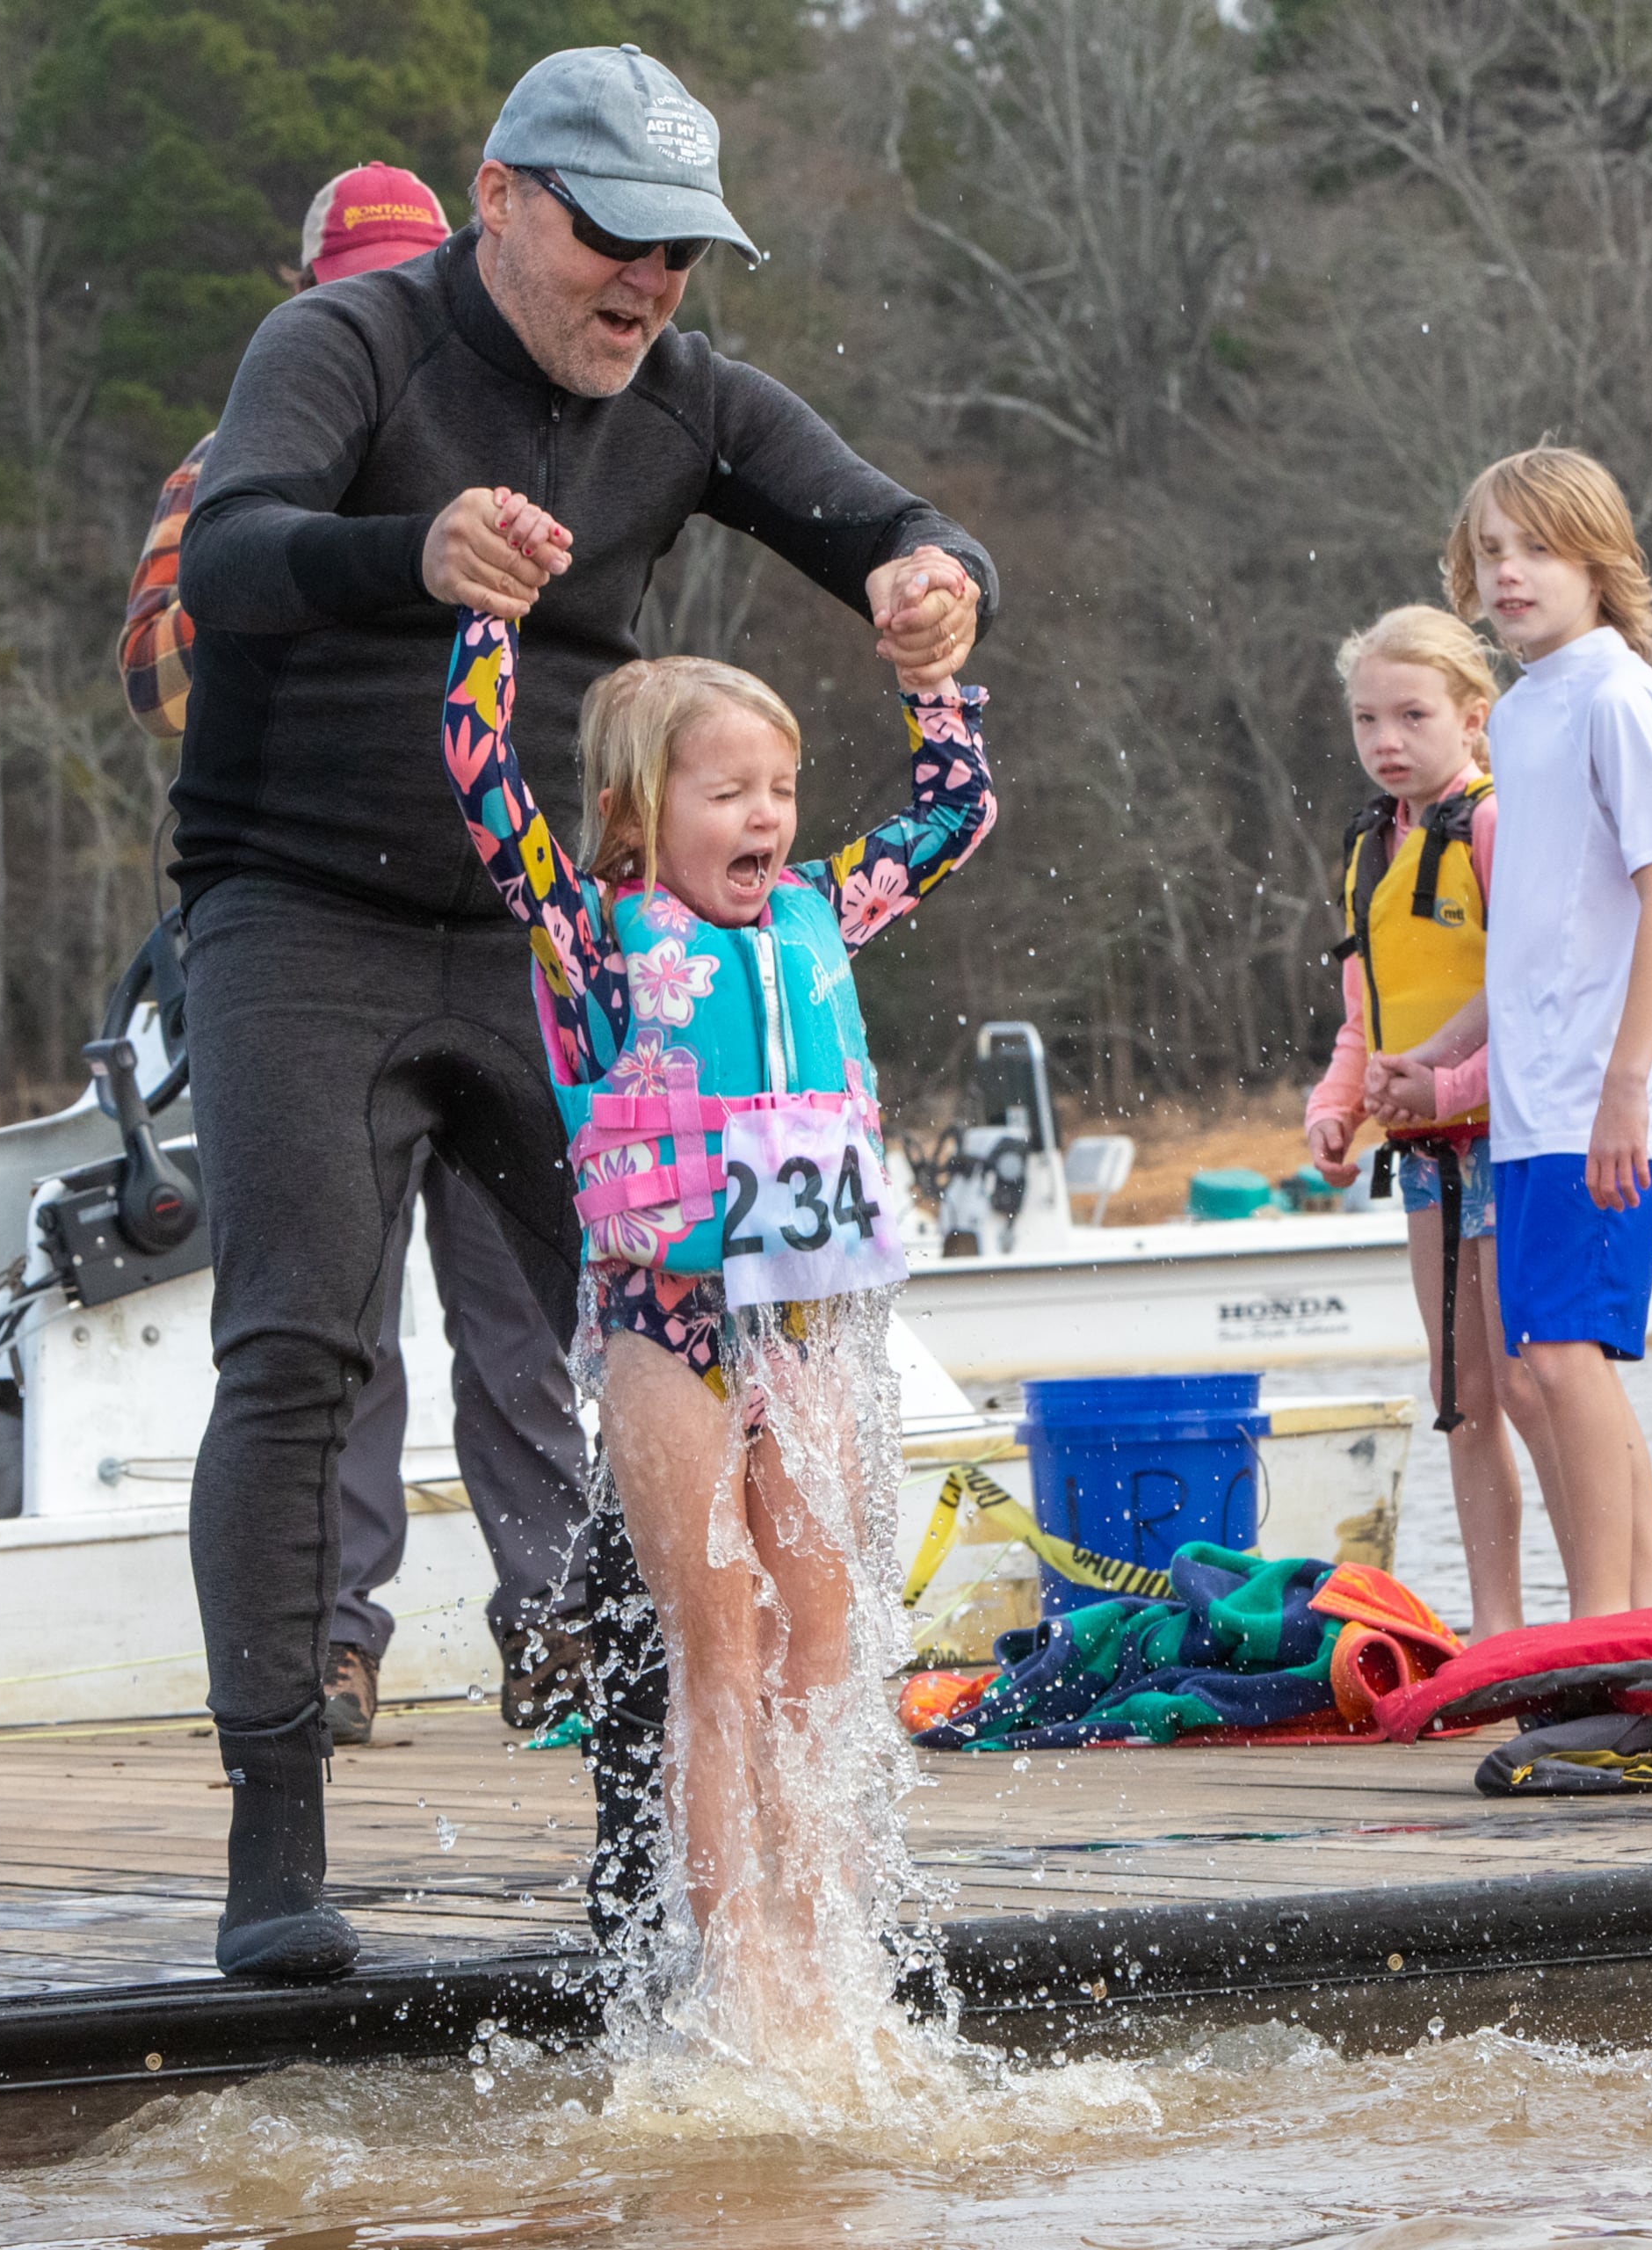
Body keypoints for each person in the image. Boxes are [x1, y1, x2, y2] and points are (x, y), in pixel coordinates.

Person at [170, 43, 992, 1982]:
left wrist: (930, 582)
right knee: (299, 1348)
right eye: (615, 242)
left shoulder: (690, 396)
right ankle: (276, 1845)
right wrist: (412, 553)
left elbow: (893, 519)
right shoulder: (353, 345)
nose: (648, 290)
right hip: (301, 909)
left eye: (682, 258)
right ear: (502, 199)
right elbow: (227, 552)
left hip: (571, 957)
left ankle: (649, 1872)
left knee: (654, 1339)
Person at [438, 546, 994, 2043]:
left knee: (827, 1635)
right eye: (729, 793)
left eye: (781, 791)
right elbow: (488, 792)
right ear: (637, 818)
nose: (767, 819)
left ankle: (823, 1943)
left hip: (801, 1328)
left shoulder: (818, 911)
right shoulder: (590, 945)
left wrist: (935, 684)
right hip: (665, 1335)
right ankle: (734, 1957)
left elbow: (957, 813)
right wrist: (487, 621)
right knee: (723, 1646)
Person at [118, 163, 594, 1752]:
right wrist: (373, 581)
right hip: (317, 927)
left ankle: (553, 1632)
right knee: (341, 1320)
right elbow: (164, 676)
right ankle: (337, 1647)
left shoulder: (547, 433)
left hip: (508, 912)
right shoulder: (246, 458)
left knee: (519, 1312)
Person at [1389, 440, 1652, 1619]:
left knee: (1570, 1359)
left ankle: (1612, 1628)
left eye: (1534, 548)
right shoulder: (1518, 715)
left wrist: (1628, 1086)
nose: (1507, 572)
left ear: (1597, 557)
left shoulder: (1622, 695)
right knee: (1532, 1369)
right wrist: (1442, 1057)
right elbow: (1530, 935)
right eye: (1489, 552)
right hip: (1526, 1103)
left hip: (1599, 1097)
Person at [1302, 606, 1567, 1636]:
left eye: (1413, 716)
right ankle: (1495, 1631)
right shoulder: (1370, 848)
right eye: (1368, 719)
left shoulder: (1498, 828)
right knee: (1459, 1392)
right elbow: (1365, 1021)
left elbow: (1536, 1000)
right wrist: (1336, 1110)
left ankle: (1590, 1608)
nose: (1387, 742)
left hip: (1507, 1137)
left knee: (1527, 1378)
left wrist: (1448, 1092)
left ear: (1474, 717)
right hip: (1423, 1157)